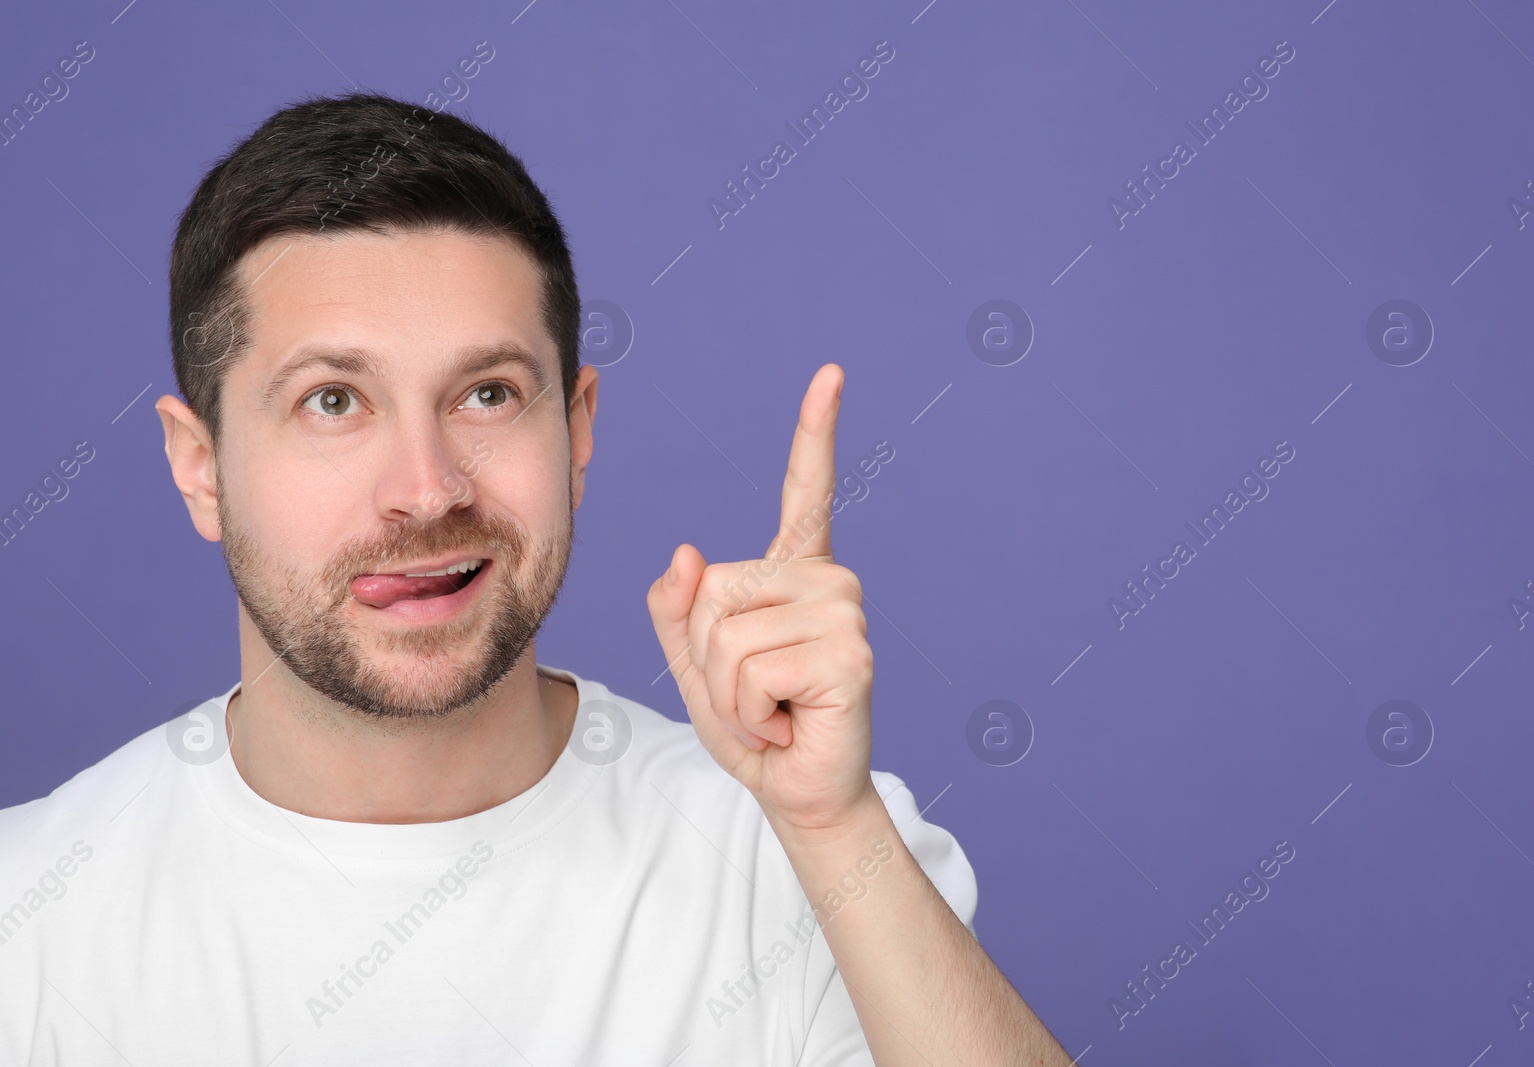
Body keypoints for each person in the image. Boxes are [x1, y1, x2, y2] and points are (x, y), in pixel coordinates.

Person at [0, 91, 1071, 1065]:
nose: (424, 491)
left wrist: (834, 832)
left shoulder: (800, 855)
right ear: (202, 468)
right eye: (333, 400)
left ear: (577, 428)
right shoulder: (31, 915)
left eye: (487, 395)